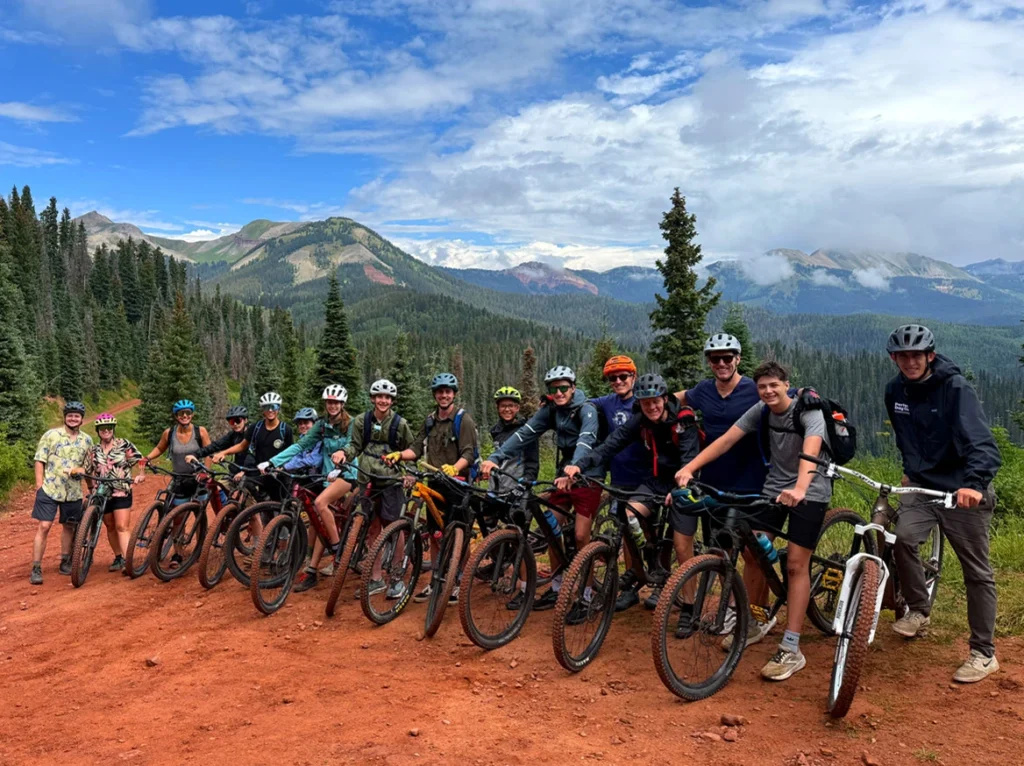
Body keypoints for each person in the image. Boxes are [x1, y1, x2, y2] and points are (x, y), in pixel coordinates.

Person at [676, 361, 831, 682]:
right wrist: (691, 467)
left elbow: (811, 451)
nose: (768, 391)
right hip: (774, 489)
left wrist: (801, 487)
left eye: (774, 385)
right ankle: (757, 619)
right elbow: (727, 440)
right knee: (752, 554)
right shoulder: (760, 410)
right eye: (762, 387)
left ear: (787, 384)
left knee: (795, 566)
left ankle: (791, 647)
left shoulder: (808, 412)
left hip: (811, 490)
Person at [884, 324, 1002, 683]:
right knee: (903, 539)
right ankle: (919, 610)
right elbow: (906, 438)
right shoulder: (895, 390)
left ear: (930, 356)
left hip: (962, 489)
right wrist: (910, 471)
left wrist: (975, 484)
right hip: (923, 486)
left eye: (916, 355)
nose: (909, 362)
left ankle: (984, 652)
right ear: (894, 358)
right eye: (902, 356)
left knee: (976, 572)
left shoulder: (955, 388)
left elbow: (981, 441)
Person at [674, 333, 790, 646]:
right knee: (721, 549)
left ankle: (759, 613)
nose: (722, 363)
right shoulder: (703, 390)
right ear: (709, 362)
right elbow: (677, 397)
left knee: (754, 553)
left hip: (755, 480)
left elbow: (784, 400)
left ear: (738, 359)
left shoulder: (755, 389)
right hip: (715, 481)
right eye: (715, 358)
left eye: (728, 357)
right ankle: (730, 605)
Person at [566, 373, 701, 613]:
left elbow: (690, 458)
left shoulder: (683, 420)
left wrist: (682, 488)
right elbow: (611, 443)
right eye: (646, 403)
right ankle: (647, 563)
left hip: (686, 482)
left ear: (664, 398)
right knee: (629, 513)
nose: (652, 407)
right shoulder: (640, 420)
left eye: (656, 401)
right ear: (639, 403)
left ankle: (690, 609)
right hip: (657, 481)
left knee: (681, 546)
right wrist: (581, 465)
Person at [481, 365, 603, 611]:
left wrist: (576, 466)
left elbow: (586, 439)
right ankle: (556, 588)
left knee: (581, 536)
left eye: (563, 388)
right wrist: (496, 457)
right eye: (553, 388)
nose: (558, 393)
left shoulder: (586, 409)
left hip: (588, 474)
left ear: (573, 387)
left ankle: (588, 594)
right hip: (564, 475)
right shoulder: (552, 411)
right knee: (549, 527)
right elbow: (524, 433)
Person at [388, 373, 479, 605]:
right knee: (437, 535)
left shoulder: (463, 420)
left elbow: (469, 452)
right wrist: (400, 454)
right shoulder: (430, 421)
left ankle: (459, 581)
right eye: (440, 391)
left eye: (448, 391)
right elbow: (416, 448)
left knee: (460, 536)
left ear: (454, 394)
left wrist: (454, 467)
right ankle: (436, 581)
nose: (444, 395)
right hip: (435, 483)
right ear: (435, 395)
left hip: (458, 483)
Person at [267, 387, 358, 592]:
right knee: (317, 521)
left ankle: (337, 551)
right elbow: (301, 446)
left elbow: (354, 445)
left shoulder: (351, 424)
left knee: (319, 503)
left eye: (336, 402)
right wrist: (272, 462)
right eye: (329, 402)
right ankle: (312, 570)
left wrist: (343, 454)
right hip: (327, 477)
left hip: (347, 475)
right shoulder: (322, 425)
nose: (332, 405)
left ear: (342, 404)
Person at [349, 379, 416, 595]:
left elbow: (412, 451)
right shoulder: (362, 421)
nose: (383, 400)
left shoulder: (400, 424)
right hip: (367, 479)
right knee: (372, 528)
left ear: (392, 401)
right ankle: (375, 578)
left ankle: (396, 579)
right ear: (372, 398)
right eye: (379, 396)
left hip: (391, 481)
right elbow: (354, 446)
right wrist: (344, 454)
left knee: (394, 528)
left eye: (387, 397)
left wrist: (411, 474)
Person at [139, 399, 213, 568]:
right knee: (177, 519)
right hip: (179, 480)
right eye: (181, 413)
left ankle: (201, 549)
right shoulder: (169, 433)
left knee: (199, 516)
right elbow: (160, 448)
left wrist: (205, 471)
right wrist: (147, 458)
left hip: (198, 479)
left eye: (188, 413)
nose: (185, 416)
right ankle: (178, 554)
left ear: (192, 414)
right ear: (176, 416)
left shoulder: (200, 431)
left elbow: (209, 452)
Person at [69, 413, 144, 573]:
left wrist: (141, 474)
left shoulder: (124, 445)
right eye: (102, 428)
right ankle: (118, 557)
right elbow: (87, 468)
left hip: (121, 490)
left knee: (121, 526)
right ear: (98, 431)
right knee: (110, 526)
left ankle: (128, 561)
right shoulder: (94, 450)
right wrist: (77, 470)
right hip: (102, 493)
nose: (106, 431)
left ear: (113, 429)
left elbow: (140, 460)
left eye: (109, 428)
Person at [29, 401, 93, 584]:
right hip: (49, 488)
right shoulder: (51, 435)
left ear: (81, 419)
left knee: (69, 526)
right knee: (44, 526)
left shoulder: (87, 440)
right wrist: (39, 484)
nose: (73, 418)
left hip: (73, 492)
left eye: (77, 416)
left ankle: (65, 561)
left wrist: (90, 487)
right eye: (70, 415)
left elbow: (88, 467)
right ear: (65, 417)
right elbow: (39, 460)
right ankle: (36, 567)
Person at [215, 391, 294, 502]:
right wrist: (224, 453)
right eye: (266, 407)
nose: (270, 410)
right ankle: (260, 505)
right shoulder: (256, 427)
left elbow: (291, 452)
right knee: (251, 489)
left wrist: (282, 467)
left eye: (274, 406)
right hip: (260, 474)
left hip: (279, 476)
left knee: (282, 509)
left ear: (278, 408)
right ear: (263, 410)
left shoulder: (285, 429)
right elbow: (242, 446)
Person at [488, 387, 539, 495]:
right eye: (503, 406)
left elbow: (532, 463)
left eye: (510, 406)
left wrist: (525, 484)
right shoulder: (495, 431)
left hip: (516, 491)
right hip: (495, 489)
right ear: (497, 408)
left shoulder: (526, 431)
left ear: (517, 408)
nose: (507, 409)